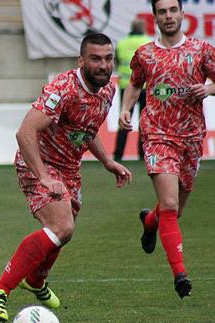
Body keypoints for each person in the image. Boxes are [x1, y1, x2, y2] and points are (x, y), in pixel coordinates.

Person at [0, 33, 132, 322]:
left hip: (69, 169)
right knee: (61, 226)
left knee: (64, 230)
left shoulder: (108, 91)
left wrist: (108, 161)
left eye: (108, 59)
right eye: (96, 59)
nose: (103, 65)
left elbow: (88, 129)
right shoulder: (63, 88)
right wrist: (44, 177)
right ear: (81, 60)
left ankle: (36, 281)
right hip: (38, 163)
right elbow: (25, 132)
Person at [118, 0, 215, 299]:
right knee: (170, 205)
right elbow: (134, 83)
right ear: (155, 16)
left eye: (173, 10)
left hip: (190, 138)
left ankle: (150, 222)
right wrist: (125, 109)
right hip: (157, 135)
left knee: (175, 209)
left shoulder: (201, 50)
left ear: (182, 14)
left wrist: (209, 88)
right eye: (163, 11)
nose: (169, 16)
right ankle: (180, 275)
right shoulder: (145, 54)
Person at [113, 18, 151, 161]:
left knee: (124, 120)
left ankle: (118, 155)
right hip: (145, 87)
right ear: (143, 28)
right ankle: (142, 154)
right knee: (144, 122)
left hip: (126, 86)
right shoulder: (148, 41)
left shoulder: (121, 43)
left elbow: (117, 61)